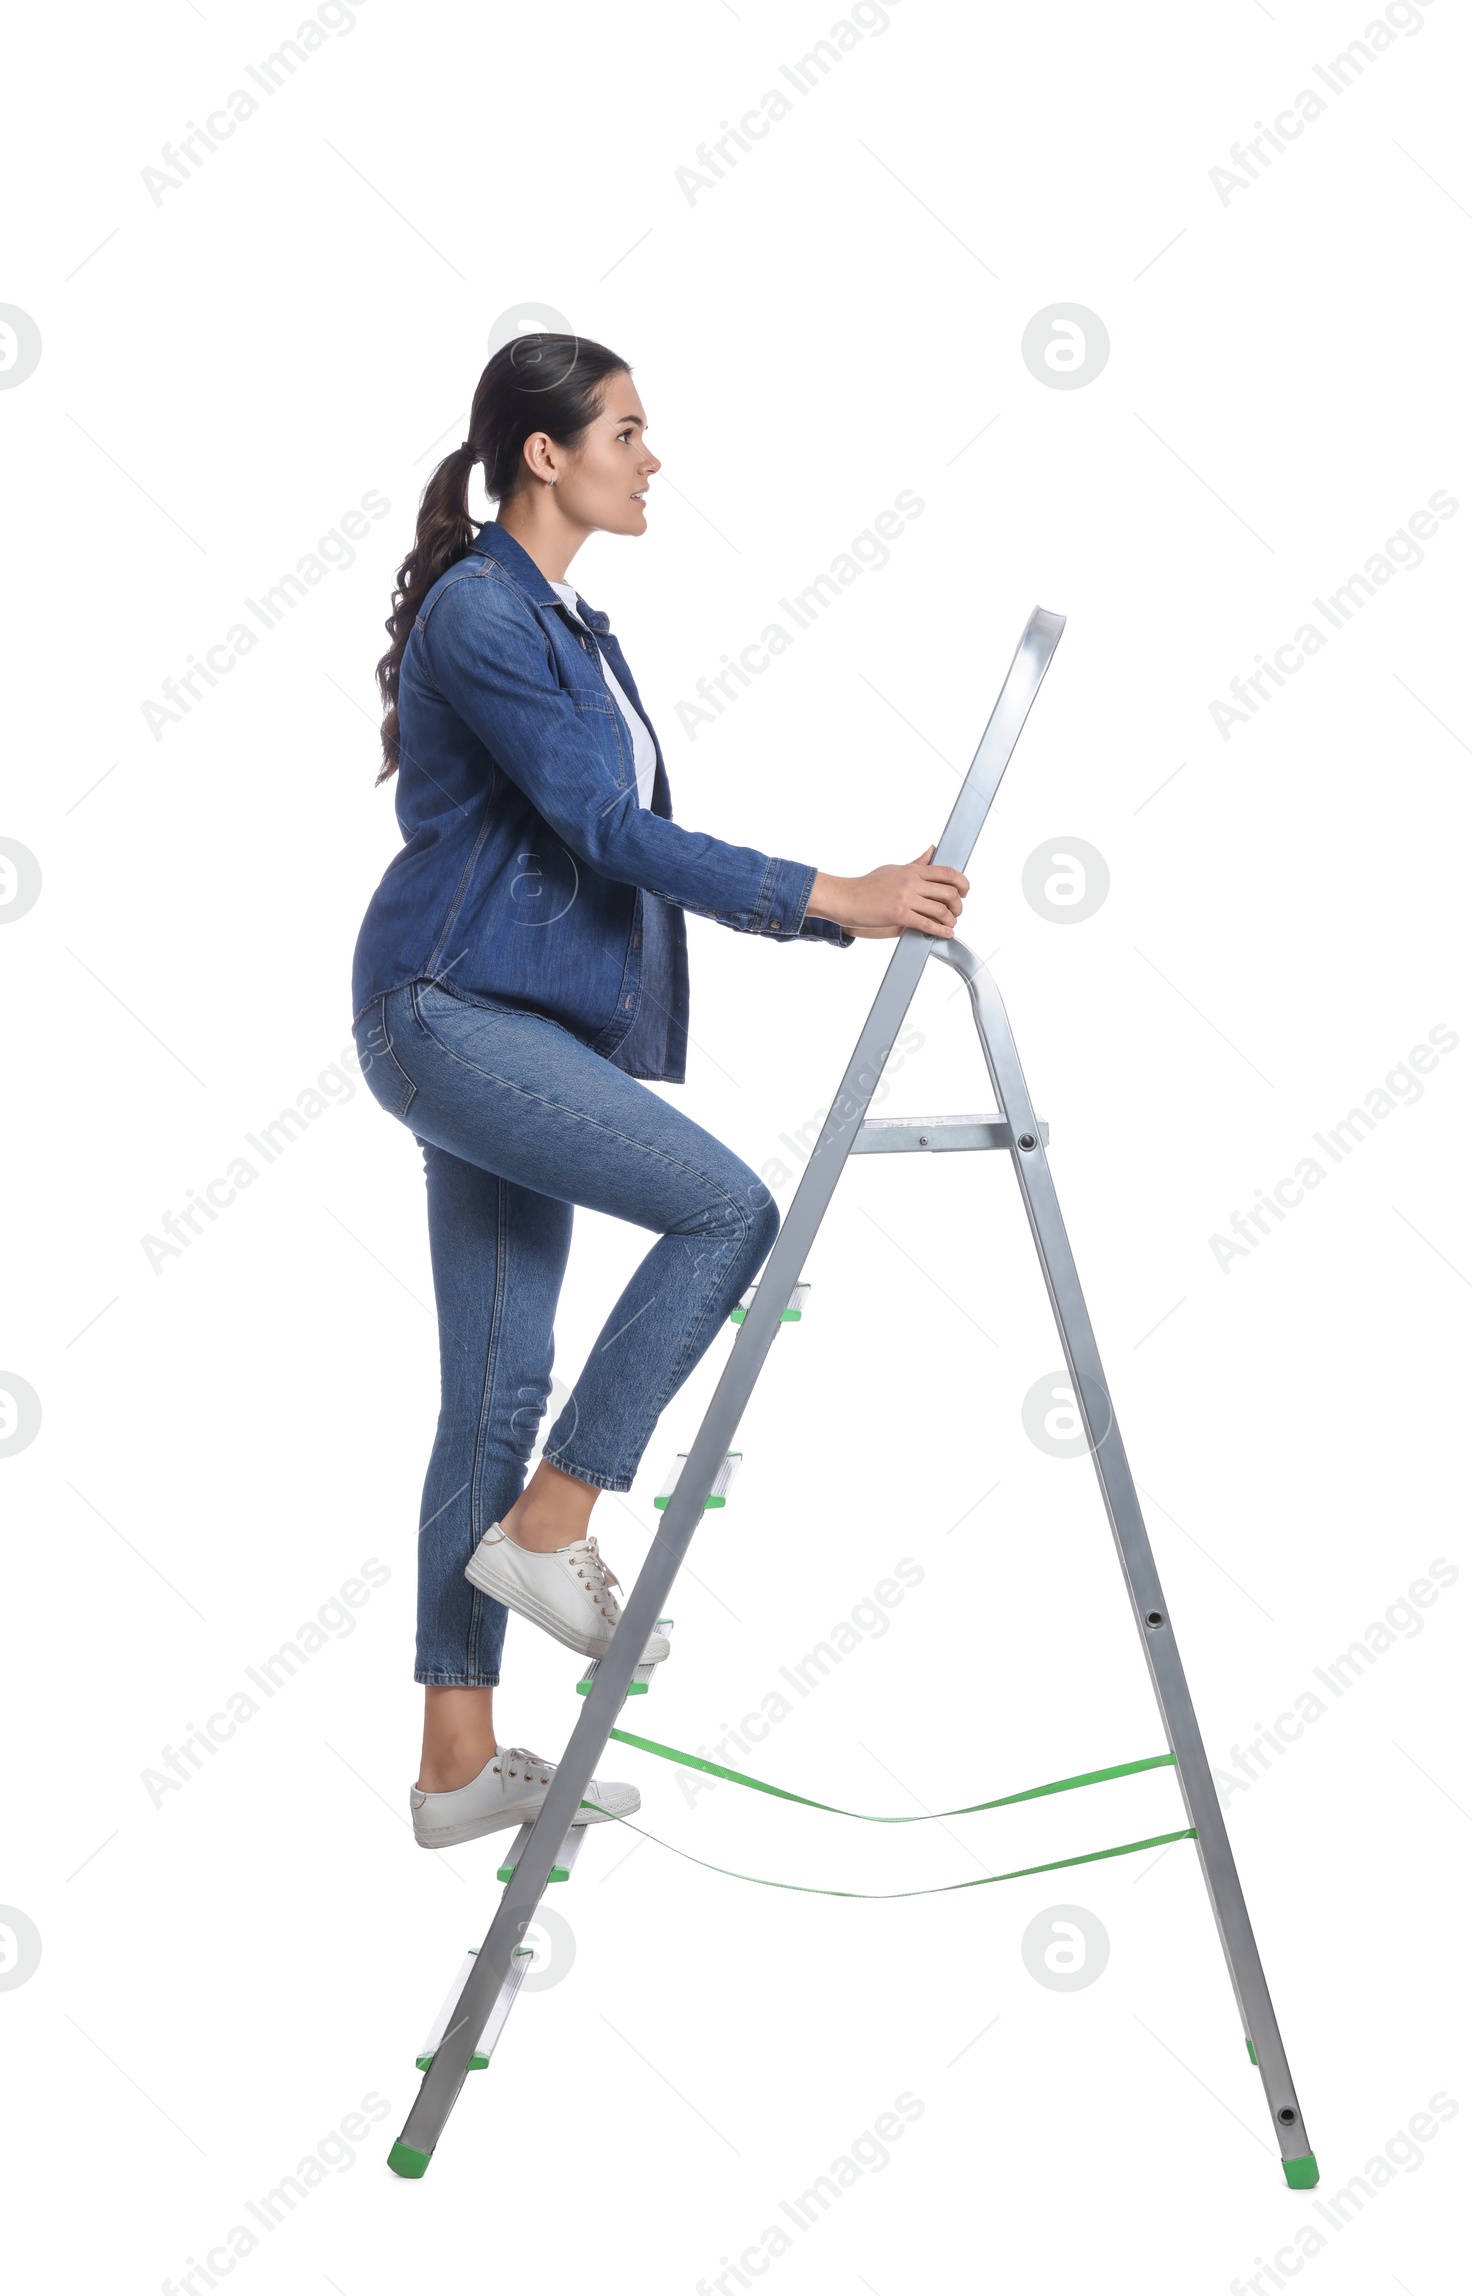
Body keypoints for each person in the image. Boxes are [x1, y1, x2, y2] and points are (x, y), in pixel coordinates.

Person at [350, 331, 968, 1851]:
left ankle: (452, 1763)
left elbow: (597, 838)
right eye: (627, 430)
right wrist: (837, 895)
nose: (652, 456)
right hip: (451, 1009)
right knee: (723, 1209)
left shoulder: (567, 622)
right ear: (544, 454)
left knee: (495, 1380)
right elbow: (607, 832)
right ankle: (556, 1524)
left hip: (509, 1020)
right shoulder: (485, 613)